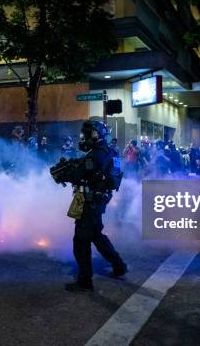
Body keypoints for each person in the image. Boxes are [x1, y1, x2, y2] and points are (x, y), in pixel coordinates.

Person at [51, 121, 127, 291]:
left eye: (86, 134)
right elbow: (89, 168)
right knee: (96, 236)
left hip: (90, 202)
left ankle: (85, 280)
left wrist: (62, 174)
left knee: (81, 240)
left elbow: (79, 173)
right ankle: (119, 265)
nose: (84, 138)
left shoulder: (95, 155)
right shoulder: (109, 152)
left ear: (94, 135)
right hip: (98, 201)